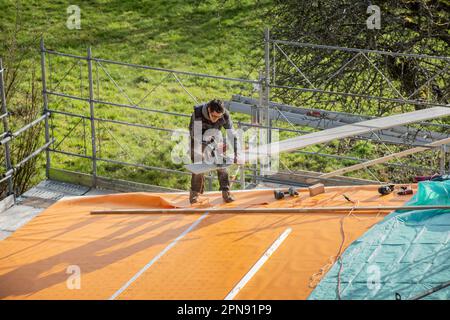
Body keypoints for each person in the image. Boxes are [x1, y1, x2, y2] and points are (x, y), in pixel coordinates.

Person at [188, 99, 239, 204]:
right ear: (209, 109)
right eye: (214, 116)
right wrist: (207, 150)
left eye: (218, 117)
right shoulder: (197, 114)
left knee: (221, 164)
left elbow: (232, 134)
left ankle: (226, 192)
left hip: (215, 137)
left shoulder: (224, 115)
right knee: (199, 164)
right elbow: (196, 136)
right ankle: (194, 194)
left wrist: (236, 153)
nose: (216, 119)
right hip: (198, 139)